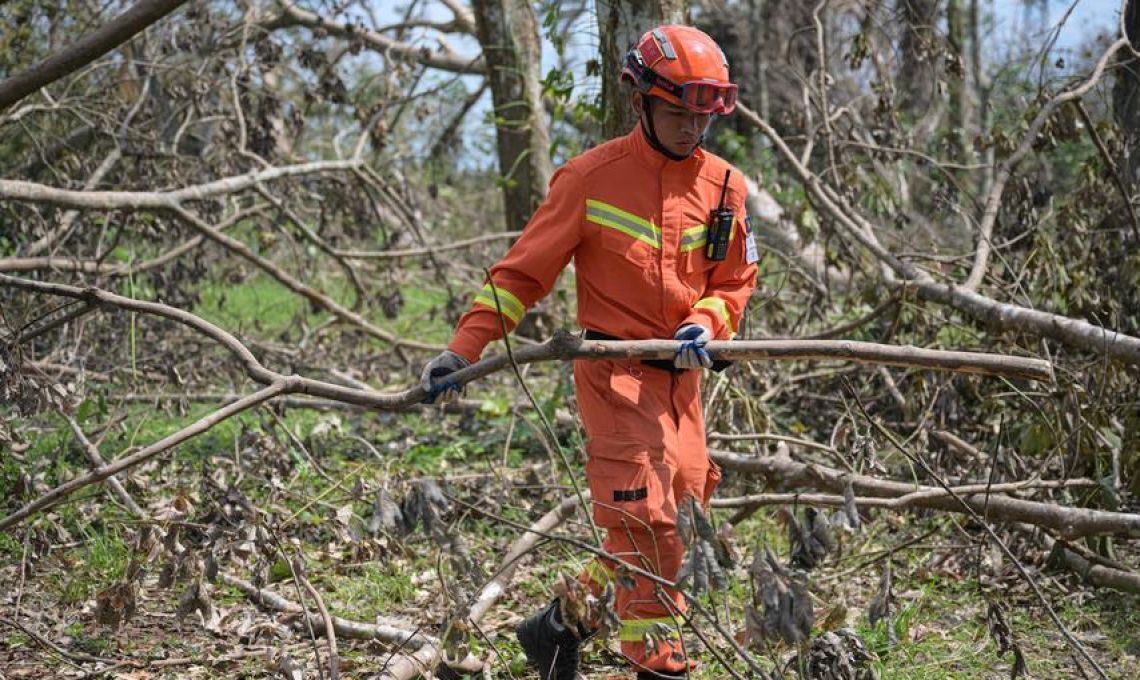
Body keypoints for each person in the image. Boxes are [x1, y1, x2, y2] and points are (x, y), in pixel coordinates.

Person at [420, 25, 758, 680]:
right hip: (613, 376)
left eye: (701, 117)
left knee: (679, 522)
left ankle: (555, 628)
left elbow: (734, 281)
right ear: (639, 100)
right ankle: (661, 665)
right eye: (678, 113)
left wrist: (709, 323)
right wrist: (462, 351)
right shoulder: (589, 179)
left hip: (682, 384)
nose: (692, 129)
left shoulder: (725, 187)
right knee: (647, 525)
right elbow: (520, 277)